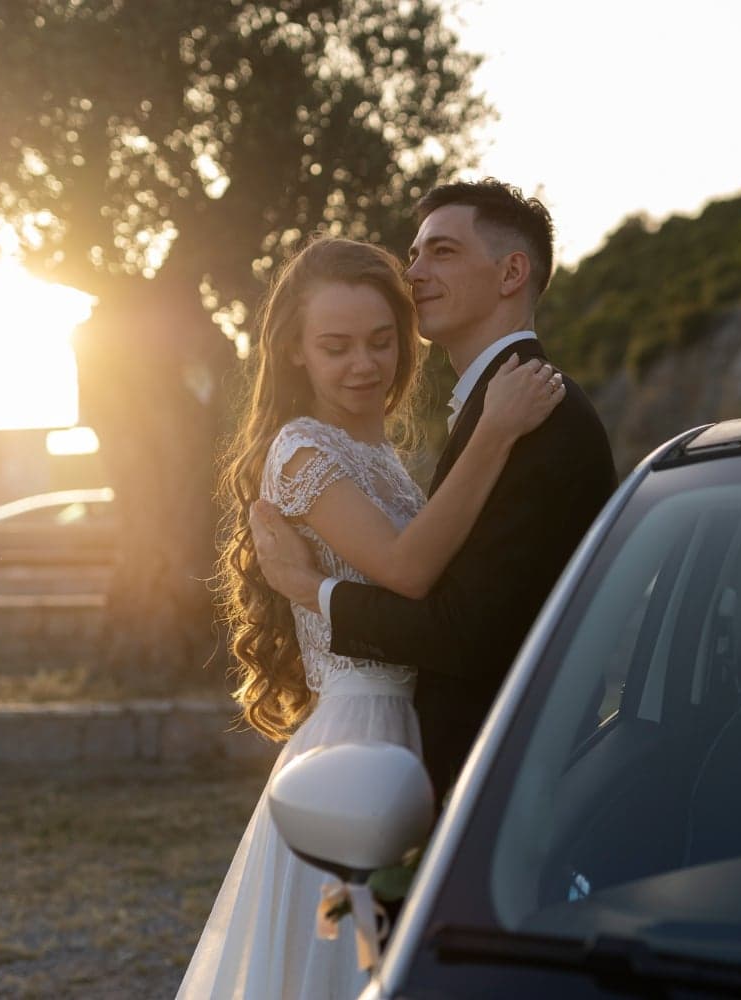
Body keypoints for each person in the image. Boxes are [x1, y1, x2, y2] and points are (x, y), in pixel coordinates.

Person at [178, 234, 565, 1000]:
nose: (365, 365)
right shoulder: (299, 451)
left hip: (413, 731)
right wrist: (495, 428)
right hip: (360, 742)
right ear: (294, 352)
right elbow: (409, 569)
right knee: (353, 963)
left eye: (382, 341)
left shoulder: (380, 453)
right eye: (337, 347)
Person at [251, 178, 617, 800]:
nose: (414, 272)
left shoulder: (533, 409)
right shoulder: (496, 410)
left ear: (511, 274)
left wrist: (312, 590)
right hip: (387, 741)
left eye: (442, 251)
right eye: (415, 253)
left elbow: (464, 629)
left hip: (498, 757)